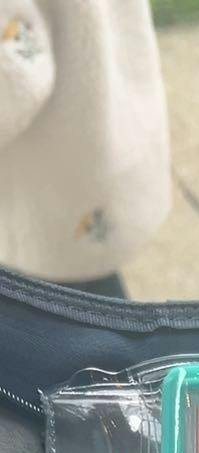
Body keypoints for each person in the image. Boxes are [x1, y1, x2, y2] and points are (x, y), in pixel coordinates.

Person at [0, 0, 168, 288]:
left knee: (64, 294)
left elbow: (14, 76)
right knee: (87, 289)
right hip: (103, 130)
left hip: (47, 188)